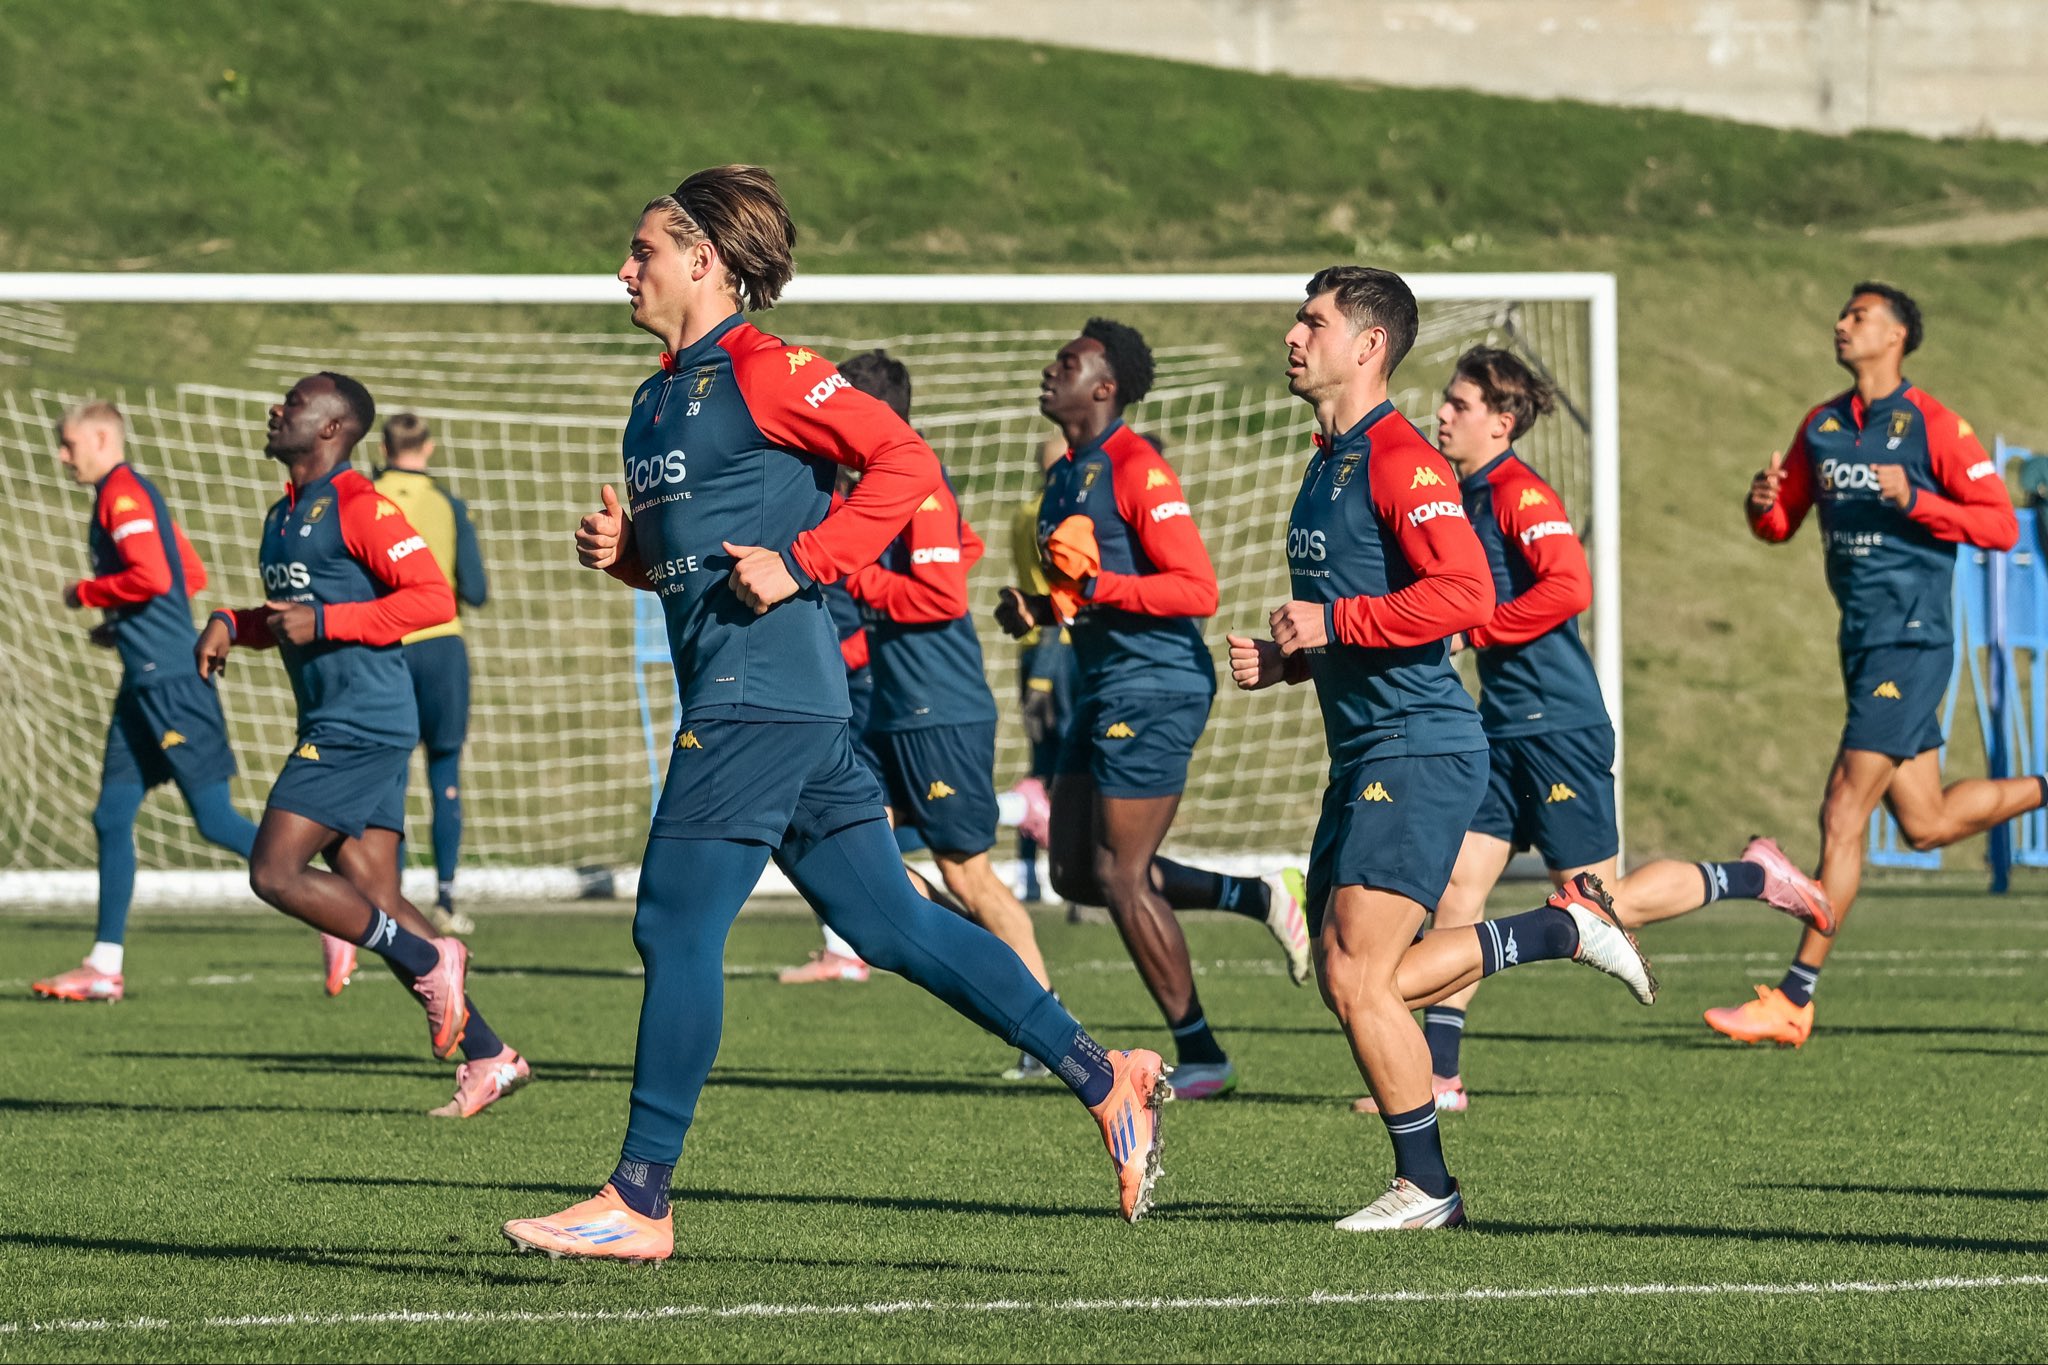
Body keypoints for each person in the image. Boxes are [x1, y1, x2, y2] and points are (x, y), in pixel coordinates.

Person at [502, 166, 1167, 1263]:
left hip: (759, 698)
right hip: (777, 700)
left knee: (673, 921)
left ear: (702, 261)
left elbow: (903, 462)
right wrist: (631, 562)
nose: (623, 270)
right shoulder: (654, 397)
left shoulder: (769, 369)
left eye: (643, 252)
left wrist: (809, 558)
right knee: (893, 925)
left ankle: (638, 1199)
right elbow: (703, 567)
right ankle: (1108, 1076)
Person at [1228, 266, 1656, 1231]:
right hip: (1367, 747)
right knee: (1348, 975)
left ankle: (1429, 1187)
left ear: (1368, 345)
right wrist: (1294, 657)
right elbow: (1382, 619)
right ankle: (1549, 939)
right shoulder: (1326, 458)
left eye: (1314, 321)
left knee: (1358, 974)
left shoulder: (1402, 461)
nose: (1294, 335)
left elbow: (1464, 597)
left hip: (1418, 745)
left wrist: (1330, 621)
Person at [1356, 347, 1834, 1114]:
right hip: (1499, 728)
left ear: (1502, 422)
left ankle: (1757, 874)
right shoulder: (1461, 494)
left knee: (1600, 902)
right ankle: (1440, 1077)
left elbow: (1568, 583)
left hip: (1559, 725)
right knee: (1458, 888)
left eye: (1460, 403)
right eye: (1445, 401)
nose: (1441, 413)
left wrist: (1479, 629)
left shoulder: (1519, 491)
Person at [195, 372, 530, 1120]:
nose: (275, 407)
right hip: (337, 718)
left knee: (275, 870)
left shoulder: (359, 505)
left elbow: (430, 598)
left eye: (294, 401)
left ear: (331, 428)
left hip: (360, 722)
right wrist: (232, 622)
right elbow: (292, 616)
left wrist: (331, 622)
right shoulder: (283, 516)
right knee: (376, 897)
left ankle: (426, 956)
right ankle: (490, 1054)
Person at [1709, 282, 2035, 1047]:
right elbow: (1778, 523)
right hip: (1860, 641)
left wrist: (1918, 499)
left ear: (1896, 337)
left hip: (1912, 636)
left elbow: (1997, 526)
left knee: (1842, 811)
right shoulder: (1821, 426)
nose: (1841, 325)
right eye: (1843, 315)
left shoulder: (1936, 426)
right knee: (1925, 822)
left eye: (1858, 317)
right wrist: (1761, 504)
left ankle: (1794, 996)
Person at [995, 320, 1311, 1103]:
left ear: (1104, 387)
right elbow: (1090, 585)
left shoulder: (1138, 468)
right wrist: (1041, 608)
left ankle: (1203, 1053)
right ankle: (1260, 894)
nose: (1050, 369)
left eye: (1066, 362)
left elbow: (1195, 589)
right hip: (1100, 681)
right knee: (1073, 870)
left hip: (1156, 683)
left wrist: (1094, 592)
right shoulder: (1068, 473)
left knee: (1120, 871)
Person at [838, 347, 1060, 1076]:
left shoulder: (917, 473)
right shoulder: (880, 481)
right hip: (895, 707)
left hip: (939, 708)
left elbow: (939, 595)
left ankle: (1052, 1033)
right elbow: (959, 547)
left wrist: (848, 571)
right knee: (854, 848)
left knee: (968, 875)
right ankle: (965, 953)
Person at [31, 403, 260, 1003]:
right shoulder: (130, 493)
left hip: (170, 682)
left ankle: (335, 909)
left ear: (102, 437)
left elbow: (157, 577)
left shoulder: (122, 494)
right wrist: (124, 623)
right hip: (145, 679)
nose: (62, 455)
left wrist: (88, 593)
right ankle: (104, 965)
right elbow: (189, 570)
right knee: (111, 816)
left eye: (68, 443)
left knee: (214, 820)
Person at [373, 413, 489, 935]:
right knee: (444, 770)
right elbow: (479, 590)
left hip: (386, 644)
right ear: (430, 448)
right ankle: (444, 897)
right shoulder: (449, 504)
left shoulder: (366, 498)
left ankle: (386, 898)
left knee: (390, 772)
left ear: (383, 446)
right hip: (442, 645)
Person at [1008, 435, 1077, 904]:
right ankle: (1072, 875)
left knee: (1041, 767)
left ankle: (1030, 873)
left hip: (1033, 648)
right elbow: (1064, 592)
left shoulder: (1022, 512)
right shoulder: (1057, 517)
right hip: (1062, 647)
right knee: (1072, 767)